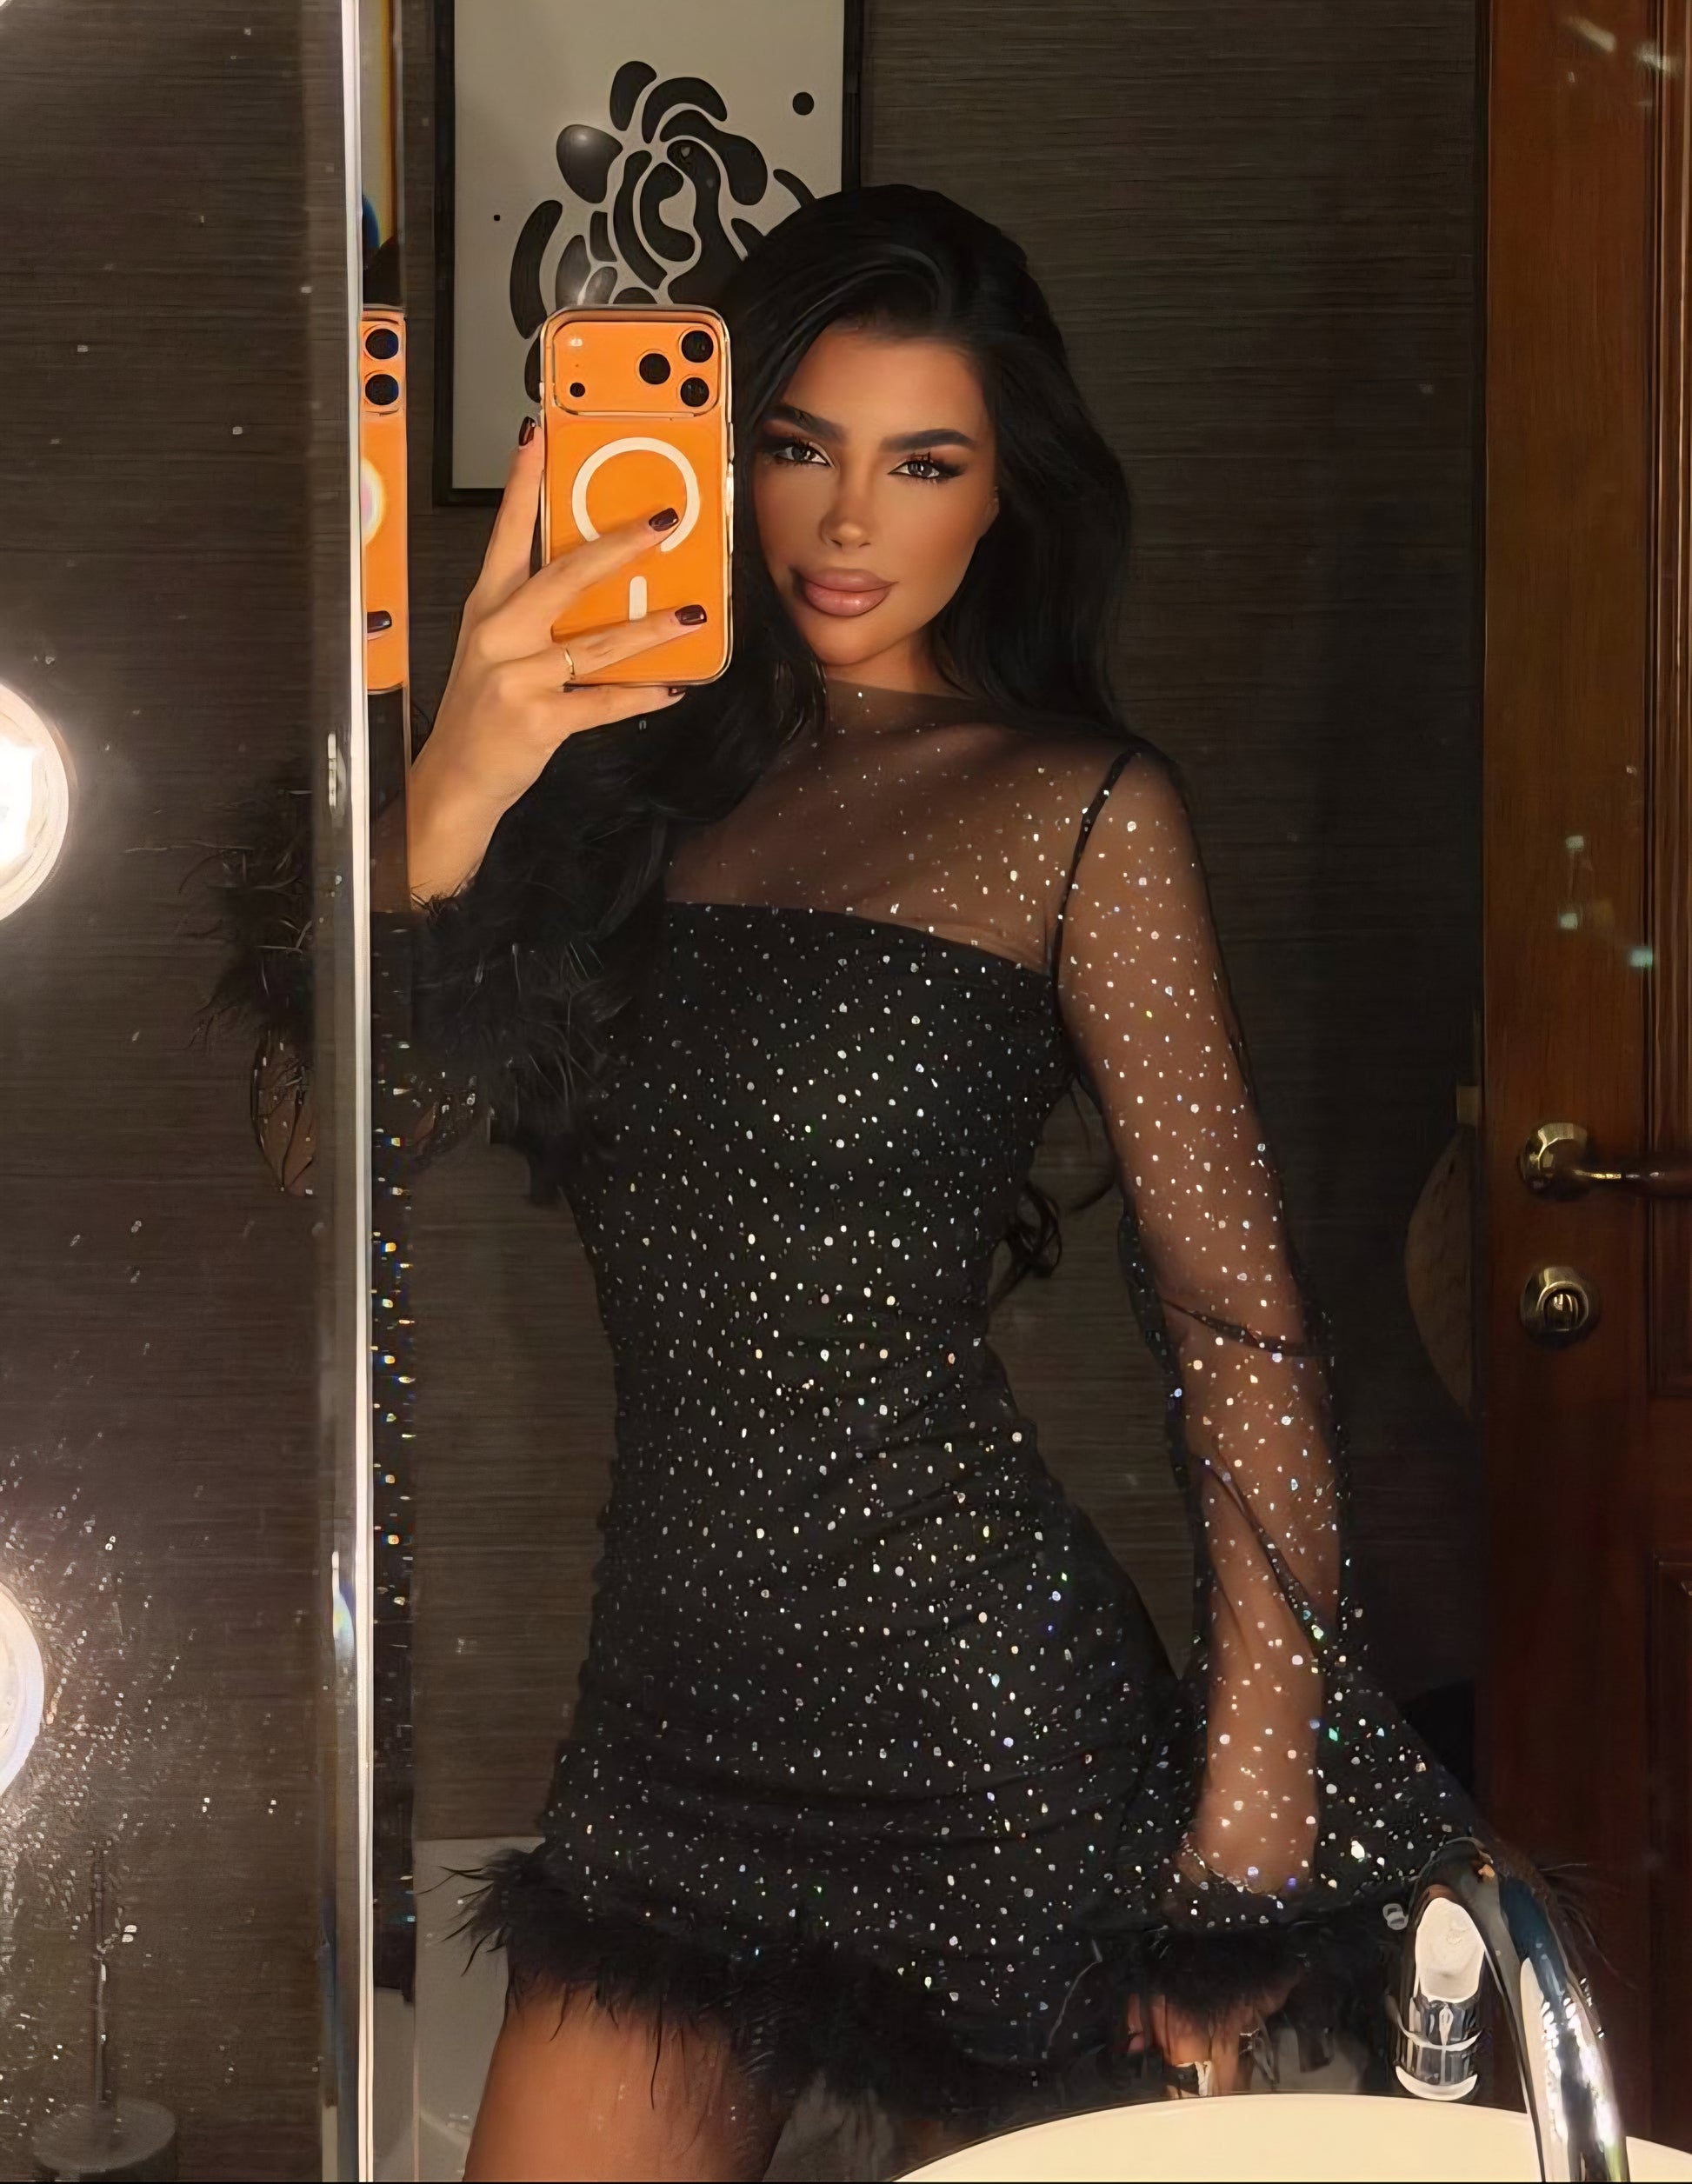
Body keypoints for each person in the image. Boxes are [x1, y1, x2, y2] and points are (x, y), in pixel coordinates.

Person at [217, 186, 1472, 2180]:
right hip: (667, 1732)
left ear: (1006, 494)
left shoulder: (1068, 808)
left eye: (925, 462)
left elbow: (1235, 1319)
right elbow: (314, 1142)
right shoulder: (602, 792)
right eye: (800, 447)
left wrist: (1244, 1835)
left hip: (983, 1732)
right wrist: (452, 785)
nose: (849, 522)